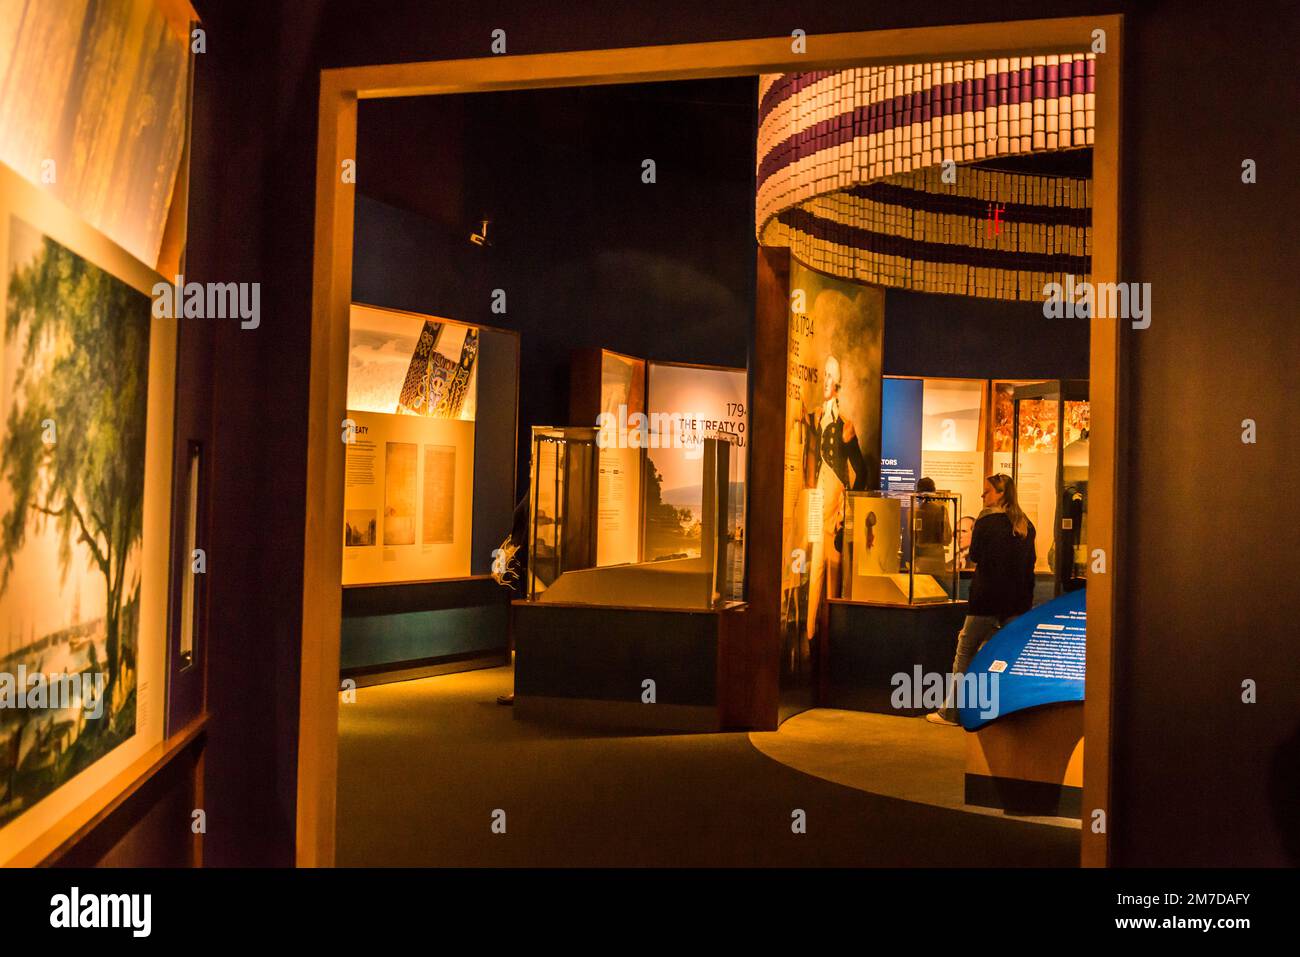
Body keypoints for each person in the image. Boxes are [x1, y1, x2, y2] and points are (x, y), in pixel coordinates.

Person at [926, 473, 1035, 726]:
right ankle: (1008, 712)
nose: (982, 495)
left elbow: (975, 555)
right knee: (1008, 656)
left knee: (965, 651)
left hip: (986, 600)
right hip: (1017, 602)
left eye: (987, 491)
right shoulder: (1025, 525)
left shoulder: (986, 522)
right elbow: (1028, 566)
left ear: (1000, 494)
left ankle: (951, 712)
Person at [912, 477, 952, 577]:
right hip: (936, 559)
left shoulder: (915, 512)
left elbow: (914, 538)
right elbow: (947, 538)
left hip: (921, 558)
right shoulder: (941, 509)